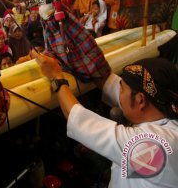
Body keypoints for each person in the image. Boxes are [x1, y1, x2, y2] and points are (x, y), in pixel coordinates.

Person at [32, 52, 178, 187]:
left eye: (122, 89)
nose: (118, 92)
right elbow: (111, 85)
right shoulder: (164, 107)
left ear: (140, 100)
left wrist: (56, 77)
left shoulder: (155, 145)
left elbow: (79, 120)